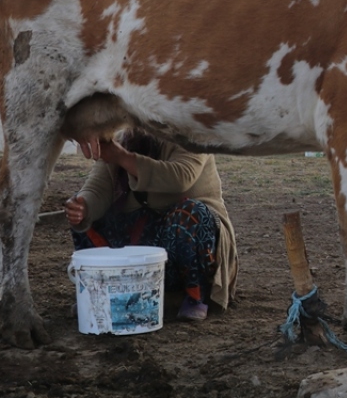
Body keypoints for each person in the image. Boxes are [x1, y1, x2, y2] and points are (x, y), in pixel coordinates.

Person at [64, 130, 238, 321]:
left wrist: (123, 157)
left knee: (190, 215)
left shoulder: (193, 135)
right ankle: (103, 292)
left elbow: (181, 177)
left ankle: (195, 296)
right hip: (144, 245)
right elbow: (97, 188)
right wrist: (82, 207)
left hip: (185, 243)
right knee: (87, 220)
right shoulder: (121, 140)